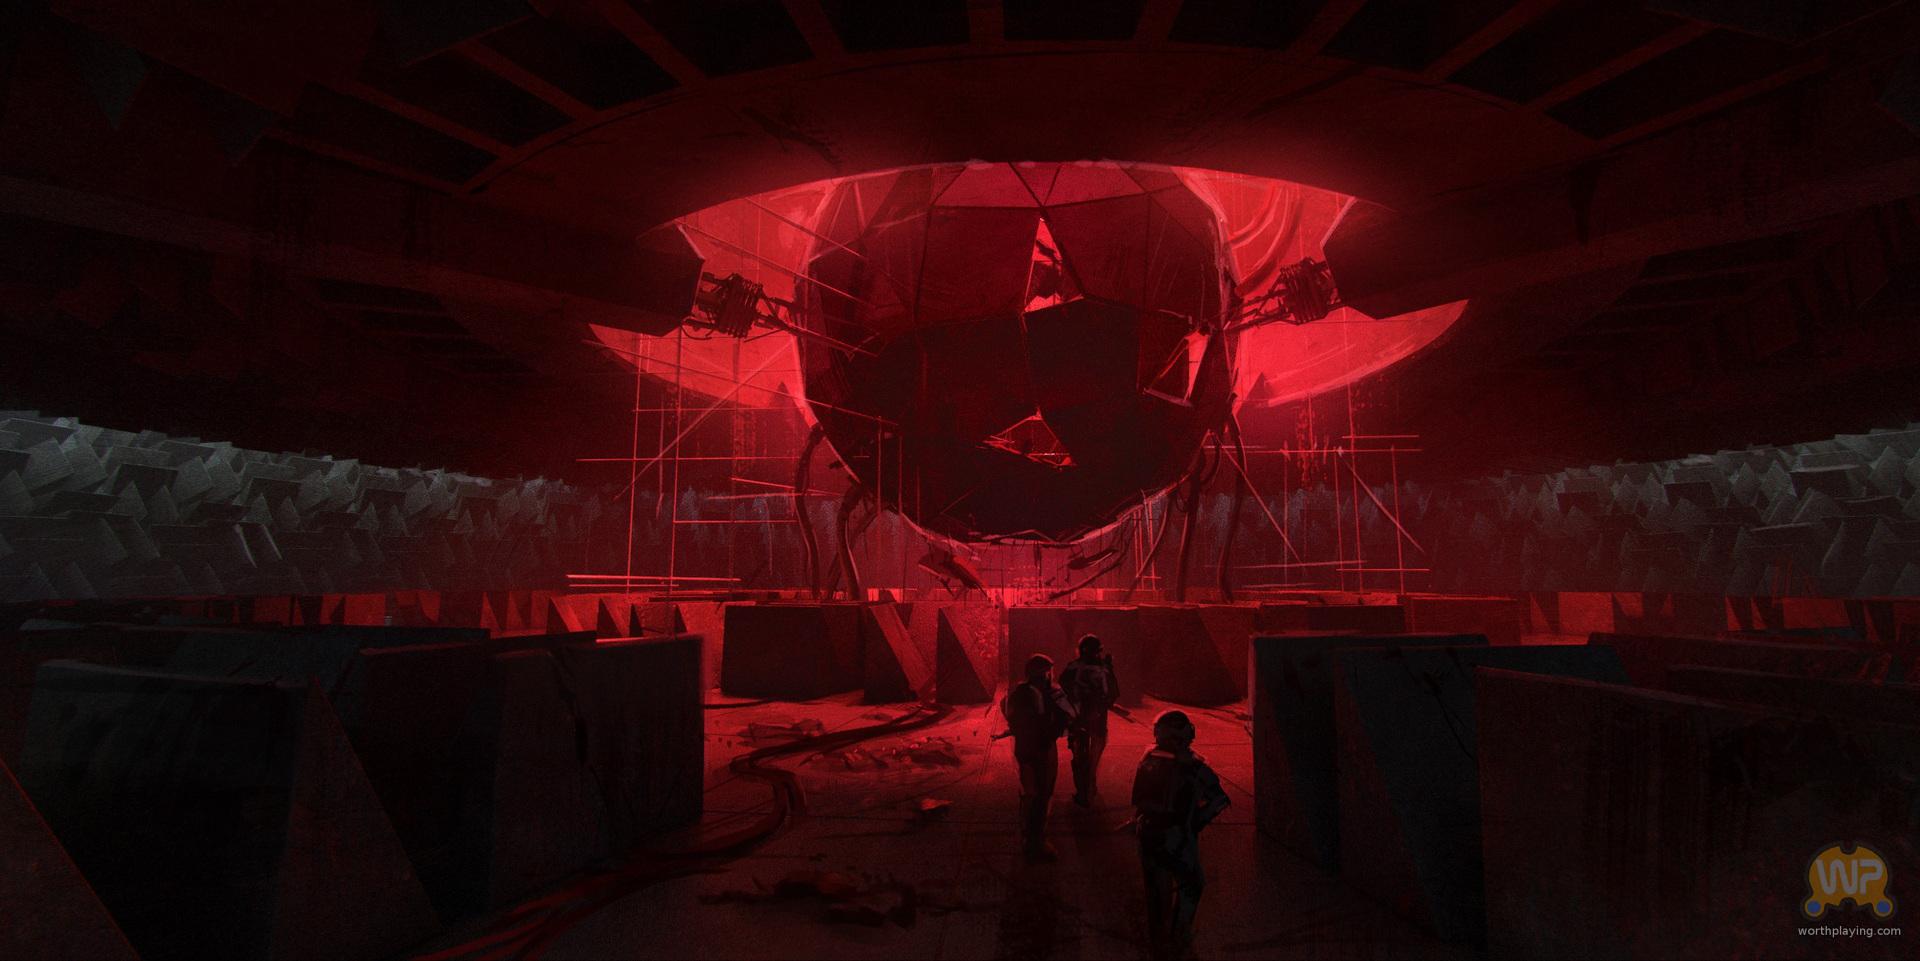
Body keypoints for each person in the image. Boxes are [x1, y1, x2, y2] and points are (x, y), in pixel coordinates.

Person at [1131, 710, 1229, 954]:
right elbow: (1219, 800)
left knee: (1156, 891)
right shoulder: (1195, 768)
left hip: (1149, 834)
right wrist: (1196, 822)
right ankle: (1179, 936)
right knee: (1191, 884)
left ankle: (1159, 941)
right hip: (1178, 837)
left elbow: (1139, 801)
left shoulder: (1147, 761)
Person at [1002, 653, 1075, 861]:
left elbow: (1009, 714)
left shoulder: (1019, 693)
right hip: (1041, 748)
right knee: (1042, 794)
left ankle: (1029, 837)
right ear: (1045, 673)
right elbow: (1070, 714)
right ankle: (1036, 841)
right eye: (1049, 671)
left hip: (1026, 748)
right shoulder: (1049, 693)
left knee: (1032, 793)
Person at [1058, 633, 1119, 807]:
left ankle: (1082, 792)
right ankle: (1091, 784)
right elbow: (1114, 692)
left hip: (1077, 719)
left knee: (1079, 758)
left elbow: (1062, 688)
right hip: (1098, 720)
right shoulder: (1104, 668)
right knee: (1094, 759)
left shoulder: (1073, 667)